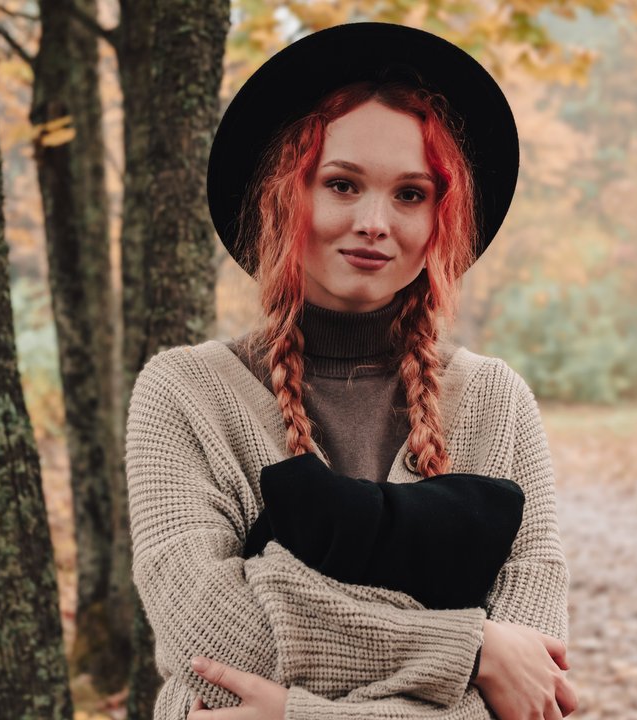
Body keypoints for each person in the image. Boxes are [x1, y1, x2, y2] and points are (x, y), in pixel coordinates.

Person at [125, 22, 577, 720]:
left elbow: (531, 693)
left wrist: (298, 713)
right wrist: (476, 650)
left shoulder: (496, 403)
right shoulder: (185, 394)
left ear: (439, 219)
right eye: (341, 184)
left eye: (410, 194)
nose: (375, 221)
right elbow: (212, 642)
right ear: (286, 196)